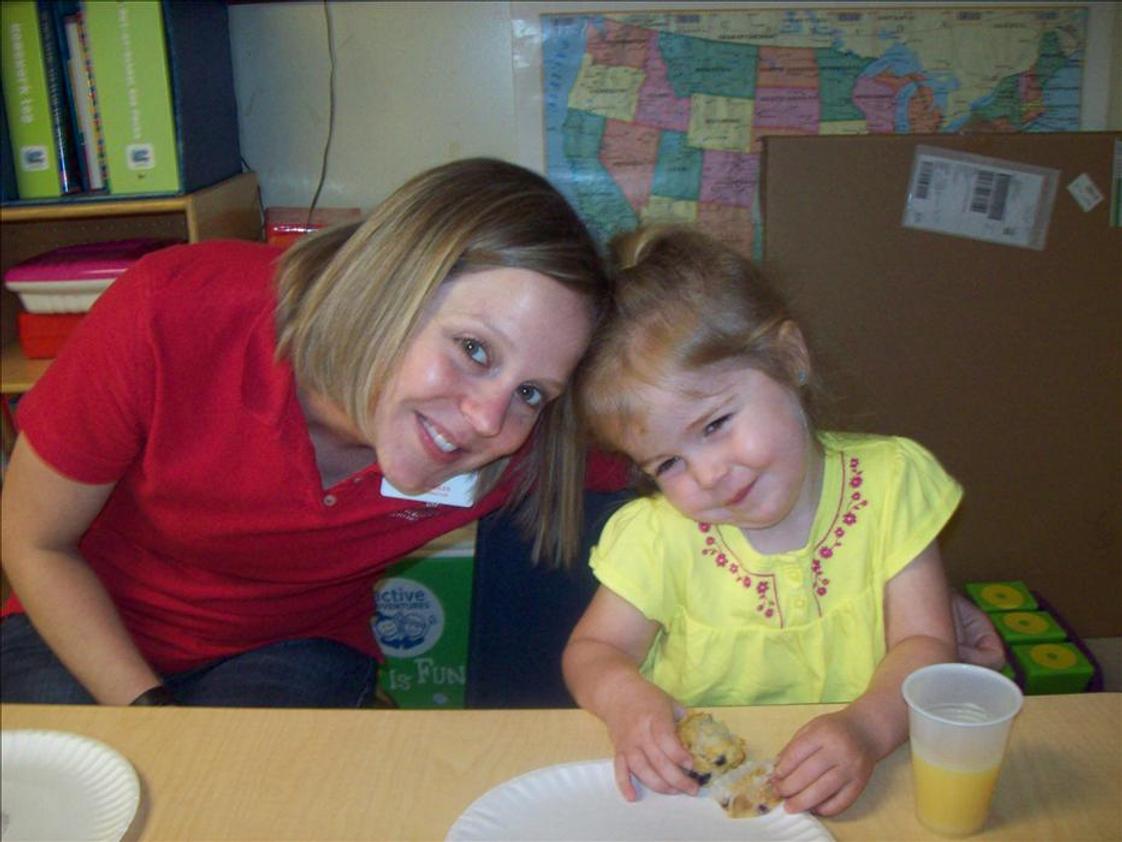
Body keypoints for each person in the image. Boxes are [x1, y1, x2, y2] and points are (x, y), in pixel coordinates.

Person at [0, 157, 617, 708]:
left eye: (532, 392)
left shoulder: (527, 441)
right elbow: (36, 544)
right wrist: (149, 716)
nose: (488, 420)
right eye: (474, 349)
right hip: (75, 623)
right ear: (386, 288)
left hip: (289, 646)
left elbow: (688, 449)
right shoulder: (173, 312)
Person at [562, 225, 976, 817]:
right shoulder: (656, 535)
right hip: (694, 804)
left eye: (714, 424)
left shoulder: (893, 485)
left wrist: (866, 727)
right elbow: (592, 650)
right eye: (668, 462)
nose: (706, 477)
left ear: (789, 357)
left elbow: (927, 643)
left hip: (874, 782)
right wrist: (624, 699)